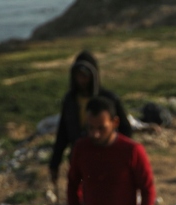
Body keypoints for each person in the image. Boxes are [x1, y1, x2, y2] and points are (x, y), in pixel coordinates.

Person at [66, 96, 156, 205]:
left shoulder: (132, 151)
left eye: (101, 128)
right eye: (90, 128)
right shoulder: (81, 148)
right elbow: (72, 187)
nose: (95, 134)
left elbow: (148, 190)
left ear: (115, 122)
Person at [49, 51, 133, 186]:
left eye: (85, 76)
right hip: (80, 157)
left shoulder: (109, 100)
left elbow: (126, 130)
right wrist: (54, 163)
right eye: (78, 76)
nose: (82, 80)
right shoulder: (70, 101)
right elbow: (63, 133)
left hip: (106, 157)